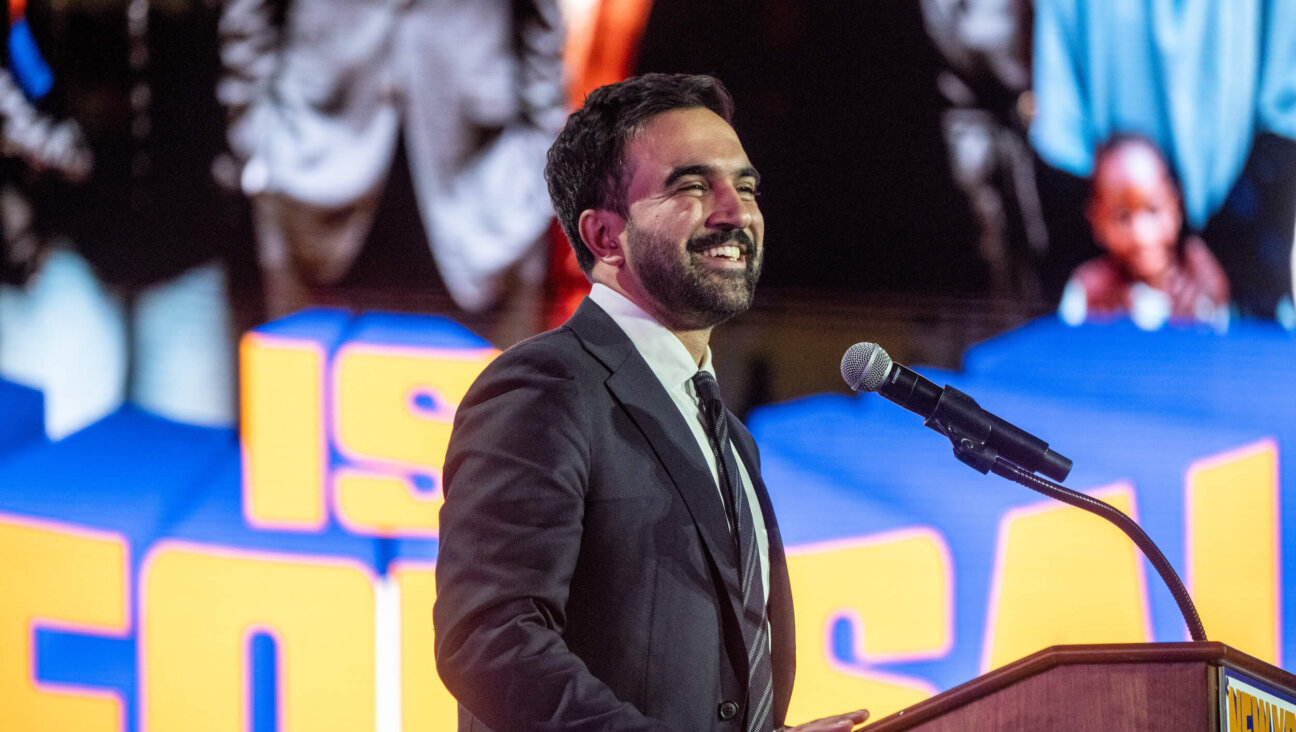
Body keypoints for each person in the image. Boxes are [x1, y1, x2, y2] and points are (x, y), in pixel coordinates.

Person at [433, 74, 870, 731]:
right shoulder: (545, 387)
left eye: (745, 186)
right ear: (606, 236)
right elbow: (491, 640)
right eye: (693, 186)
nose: (736, 212)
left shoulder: (728, 435)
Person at [1059, 134, 1230, 330]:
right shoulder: (1089, 292)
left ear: (1177, 205)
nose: (1142, 236)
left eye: (1153, 210)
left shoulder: (1201, 283)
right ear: (1097, 222)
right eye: (1123, 217)